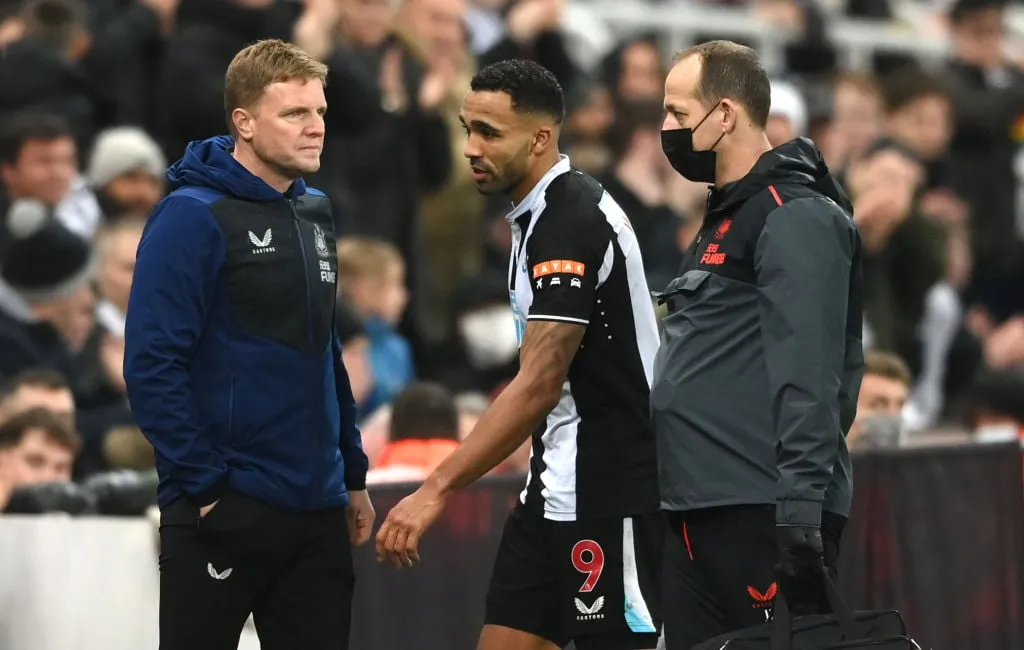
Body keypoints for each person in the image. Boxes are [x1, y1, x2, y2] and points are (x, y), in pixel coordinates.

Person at [377, 59, 664, 650]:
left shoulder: (569, 221)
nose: (472, 148)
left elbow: (537, 384)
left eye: (490, 133)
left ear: (540, 138)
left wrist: (435, 489)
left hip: (610, 492)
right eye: (468, 129)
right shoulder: (535, 216)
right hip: (551, 487)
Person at [122, 39, 373, 650]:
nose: (315, 128)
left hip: (316, 507)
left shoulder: (315, 210)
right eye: (294, 114)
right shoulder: (190, 215)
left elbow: (325, 351)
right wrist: (207, 488)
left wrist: (353, 473)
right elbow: (151, 364)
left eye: (319, 113)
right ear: (244, 122)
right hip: (224, 506)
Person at [652, 41, 864, 649]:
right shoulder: (728, 214)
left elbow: (812, 373)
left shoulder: (792, 214)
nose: (666, 129)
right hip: (700, 503)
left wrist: (799, 506)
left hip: (760, 504)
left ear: (724, 115)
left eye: (676, 112)